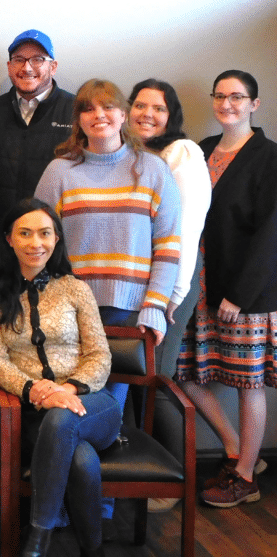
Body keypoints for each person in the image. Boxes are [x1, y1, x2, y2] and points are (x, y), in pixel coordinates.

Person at [0, 198, 119, 557]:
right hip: (31, 414)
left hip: (94, 406)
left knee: (63, 415)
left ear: (56, 239)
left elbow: (100, 355)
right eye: (24, 233)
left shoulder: (75, 288)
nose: (35, 242)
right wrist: (38, 392)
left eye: (44, 233)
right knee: (81, 460)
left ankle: (37, 542)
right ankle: (93, 551)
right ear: (9, 239)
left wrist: (66, 390)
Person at [35, 79, 181, 412]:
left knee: (107, 407)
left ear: (124, 114)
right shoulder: (59, 172)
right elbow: (38, 246)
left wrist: (156, 305)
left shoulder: (153, 169)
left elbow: (168, 246)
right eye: (87, 108)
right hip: (69, 310)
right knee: (73, 403)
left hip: (129, 312)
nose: (98, 115)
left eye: (107, 106)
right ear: (79, 121)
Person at [177, 70, 277, 508]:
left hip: (246, 294)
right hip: (199, 286)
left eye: (238, 97)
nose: (228, 104)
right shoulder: (200, 150)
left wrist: (240, 294)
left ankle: (244, 479)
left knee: (247, 384)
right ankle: (240, 452)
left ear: (254, 104)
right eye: (220, 95)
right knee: (182, 372)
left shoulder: (270, 158)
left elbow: (271, 234)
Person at [126, 79, 211, 378]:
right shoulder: (126, 154)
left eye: (158, 108)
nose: (147, 113)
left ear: (170, 116)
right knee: (128, 374)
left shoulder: (181, 153)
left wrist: (174, 293)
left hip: (173, 275)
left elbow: (187, 228)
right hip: (135, 275)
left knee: (155, 376)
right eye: (140, 105)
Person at [0, 30, 75, 223]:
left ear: (53, 66)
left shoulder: (75, 111)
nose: (27, 68)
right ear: (9, 66)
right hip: (1, 233)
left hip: (53, 234)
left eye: (38, 59)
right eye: (19, 59)